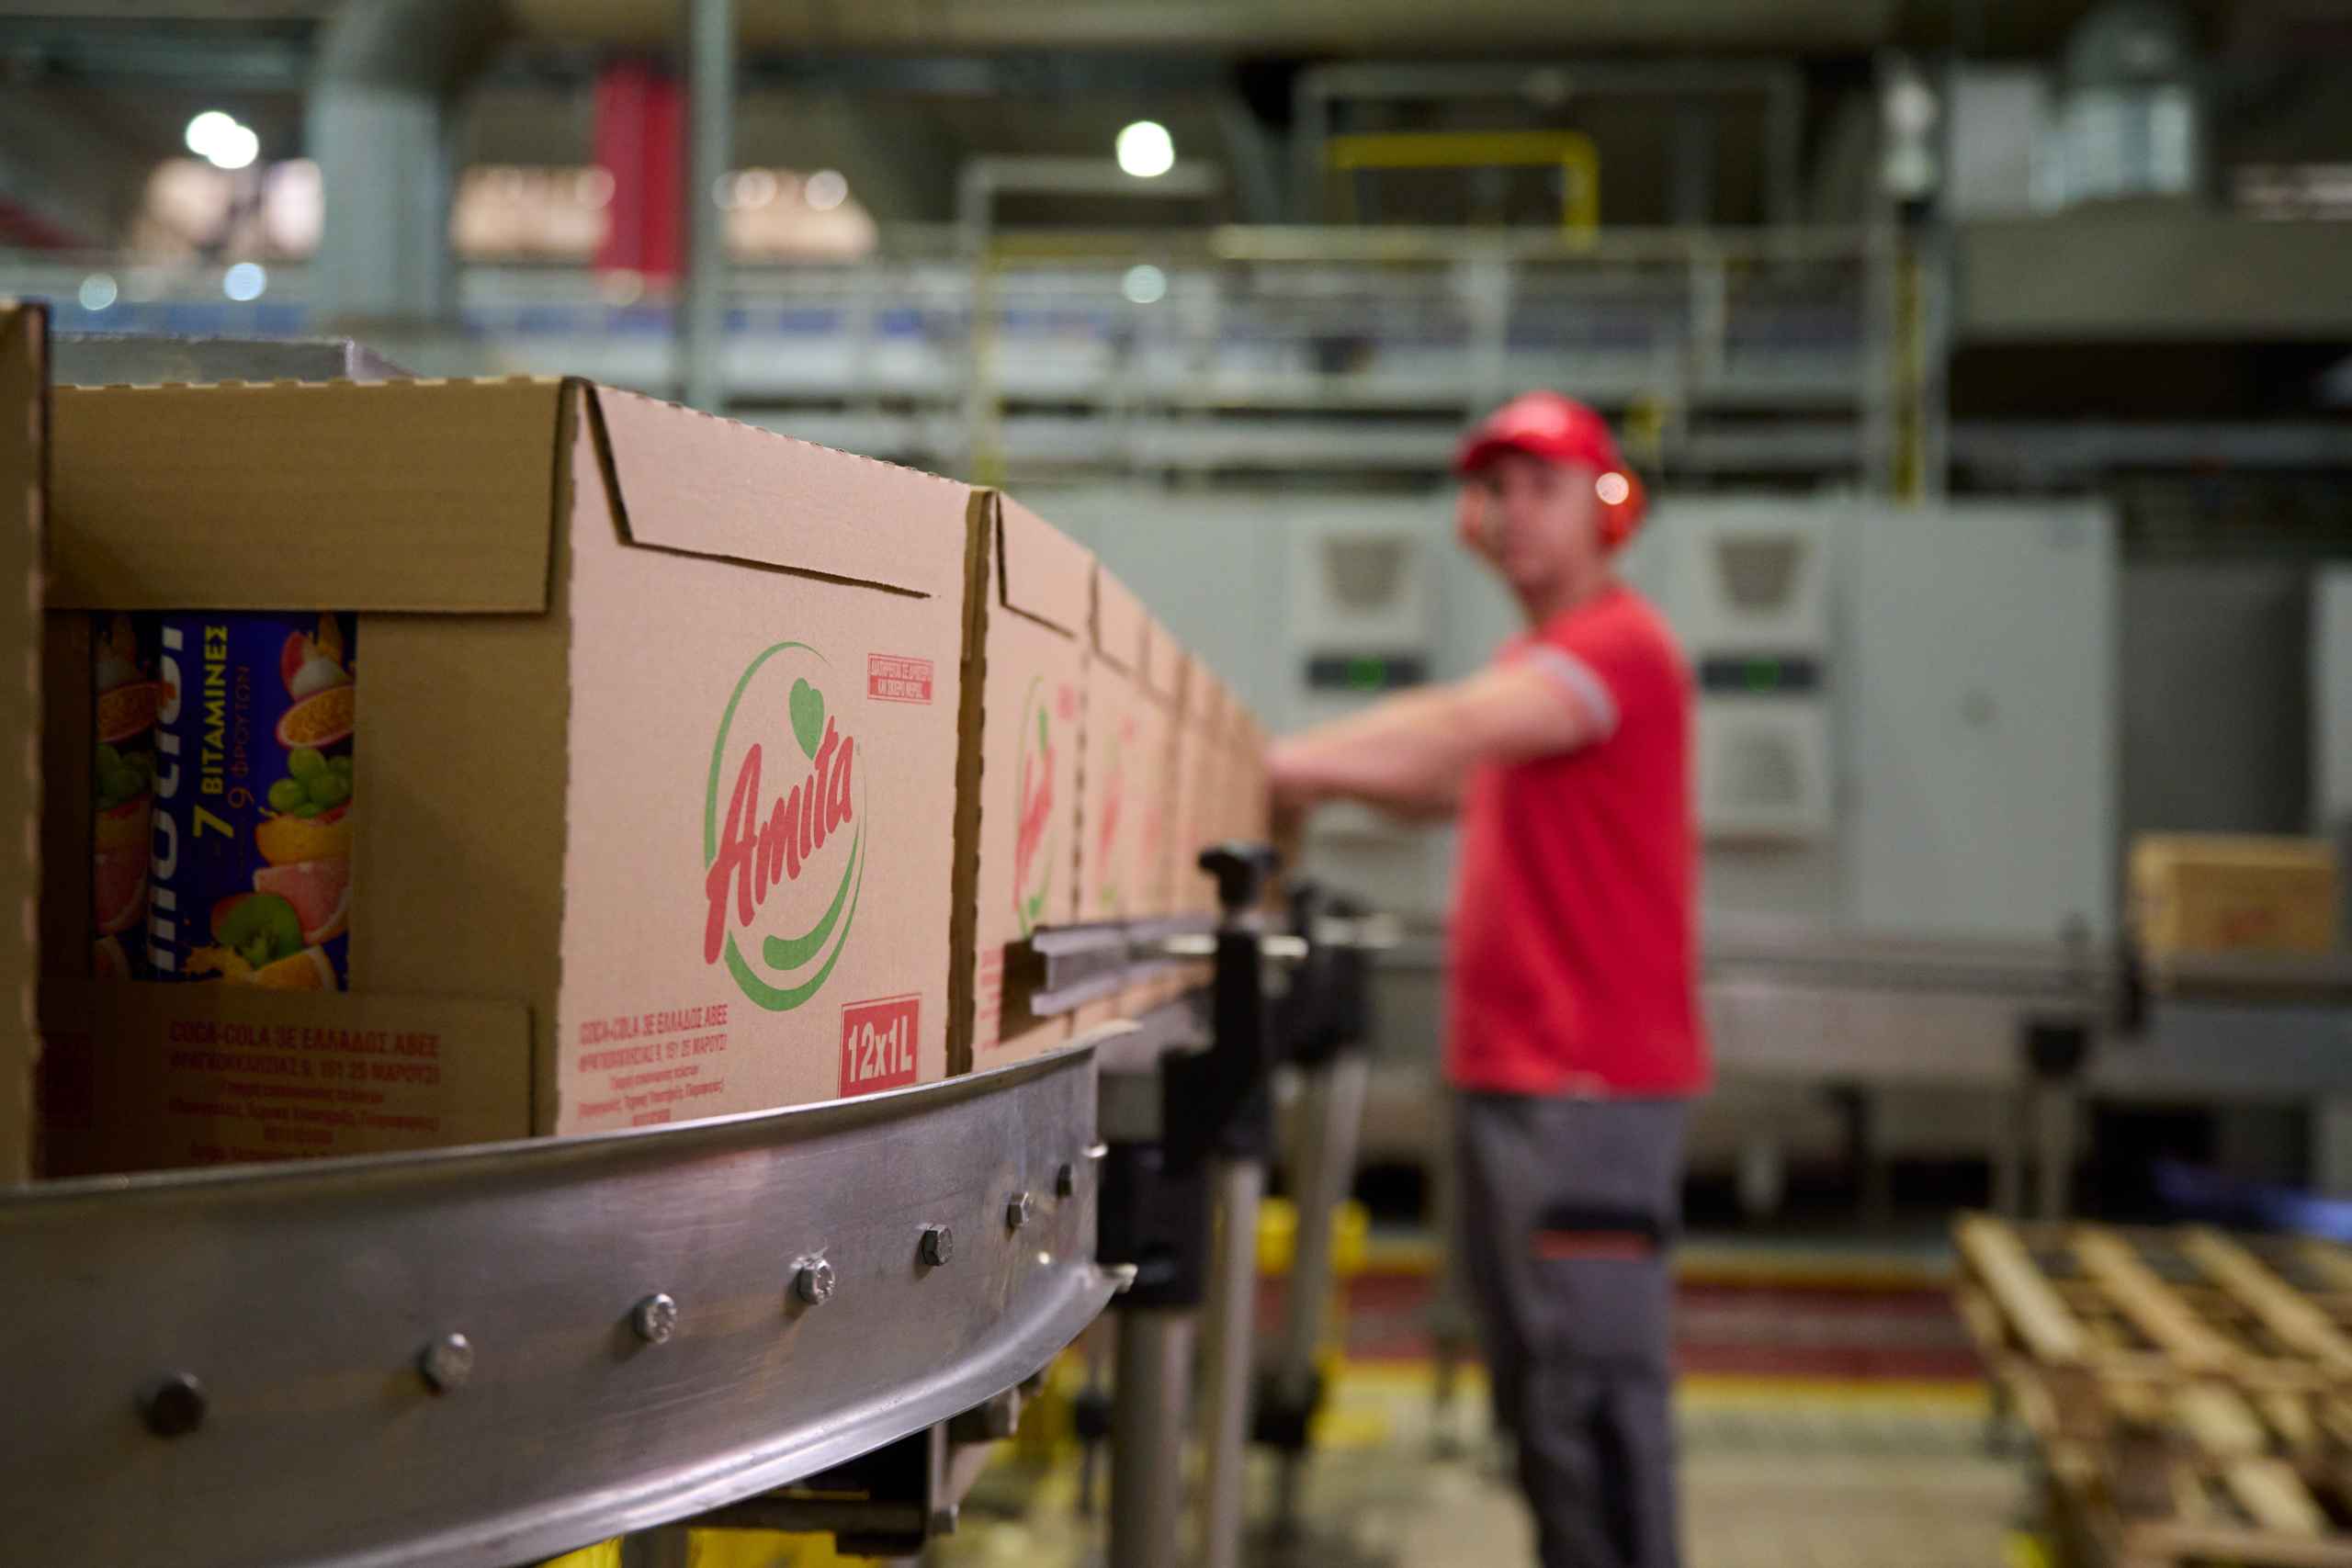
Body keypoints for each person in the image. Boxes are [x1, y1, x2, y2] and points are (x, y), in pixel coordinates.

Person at [1267, 391, 1709, 1568]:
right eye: (1493, 491)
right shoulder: (1534, 664)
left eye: (1539, 488)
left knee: (1588, 1397)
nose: (1509, 512)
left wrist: (1284, 761)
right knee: (1536, 1396)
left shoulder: (1615, 647)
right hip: (1525, 1078)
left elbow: (1459, 730)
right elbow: (1438, 781)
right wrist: (1315, 781)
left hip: (1587, 1090)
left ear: (1609, 509)